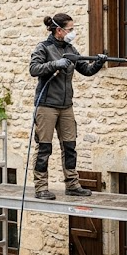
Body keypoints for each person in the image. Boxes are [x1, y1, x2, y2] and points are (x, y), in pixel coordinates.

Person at [29, 13, 107, 200]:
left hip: (66, 106)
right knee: (44, 148)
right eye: (70, 29)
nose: (73, 32)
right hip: (46, 105)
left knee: (70, 146)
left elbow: (86, 70)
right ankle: (41, 188)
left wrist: (98, 62)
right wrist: (56, 63)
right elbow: (34, 69)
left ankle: (72, 184)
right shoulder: (43, 48)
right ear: (59, 30)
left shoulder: (71, 49)